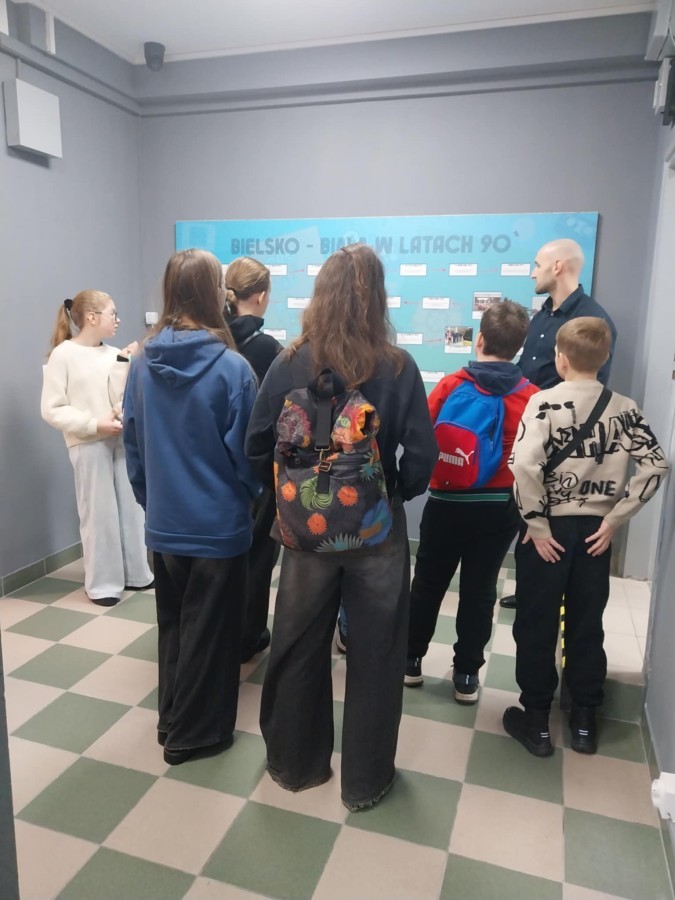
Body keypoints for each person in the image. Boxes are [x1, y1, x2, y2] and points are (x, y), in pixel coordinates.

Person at [245, 243, 437, 811]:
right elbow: (422, 455)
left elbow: (256, 444)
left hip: (305, 532)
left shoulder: (289, 361)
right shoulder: (397, 366)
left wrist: (291, 493)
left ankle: (294, 764)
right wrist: (394, 491)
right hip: (376, 530)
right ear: (378, 298)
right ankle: (365, 781)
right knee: (377, 653)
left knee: (297, 645)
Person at [504, 317, 668, 756]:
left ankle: (536, 722)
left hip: (549, 531)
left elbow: (524, 466)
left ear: (560, 358)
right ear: (606, 357)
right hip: (597, 532)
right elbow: (656, 464)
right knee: (586, 622)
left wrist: (536, 525)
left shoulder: (542, 403)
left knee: (536, 622)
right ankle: (583, 721)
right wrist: (615, 519)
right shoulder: (626, 408)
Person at [123, 249, 260, 765]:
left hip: (165, 521)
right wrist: (248, 499)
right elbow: (247, 457)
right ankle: (195, 735)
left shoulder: (141, 363)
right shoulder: (233, 369)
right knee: (213, 631)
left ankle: (171, 719)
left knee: (175, 625)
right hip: (218, 524)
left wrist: (150, 499)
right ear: (215, 293)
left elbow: (133, 445)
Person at [404, 302, 539, 701]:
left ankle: (410, 660)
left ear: (479, 339)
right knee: (480, 590)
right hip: (499, 507)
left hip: (447, 502)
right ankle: (466, 674)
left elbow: (422, 434)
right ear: (519, 347)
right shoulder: (532, 395)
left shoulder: (451, 385)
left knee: (428, 582)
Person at [499, 237, 617, 609]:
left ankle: (552, 599)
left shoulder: (592, 321)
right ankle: (531, 591)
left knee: (558, 528)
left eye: (537, 264)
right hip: (529, 438)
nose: (532, 272)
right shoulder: (541, 317)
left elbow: (591, 393)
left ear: (557, 266)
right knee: (529, 522)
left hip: (563, 450)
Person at [41, 291, 153, 607]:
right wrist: (94, 424)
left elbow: (120, 397)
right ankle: (103, 584)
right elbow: (52, 408)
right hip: (88, 443)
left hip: (119, 440)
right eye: (112, 313)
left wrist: (123, 365)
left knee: (131, 510)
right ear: (92, 317)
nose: (118, 320)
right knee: (98, 514)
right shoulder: (63, 355)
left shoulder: (114, 353)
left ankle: (136, 573)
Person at [224, 256, 282, 662]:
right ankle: (249, 635)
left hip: (216, 468)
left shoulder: (213, 339)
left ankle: (221, 633)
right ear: (261, 295)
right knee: (258, 556)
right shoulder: (269, 349)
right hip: (258, 472)